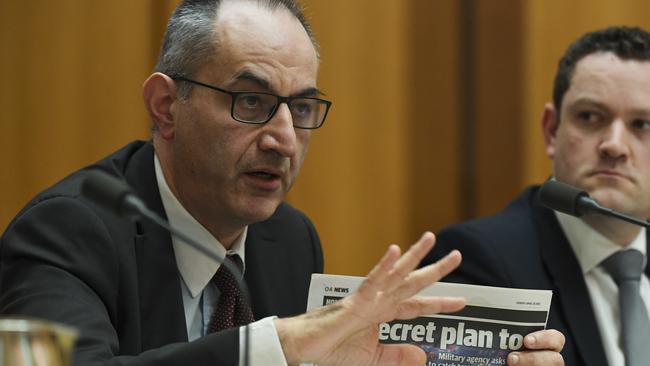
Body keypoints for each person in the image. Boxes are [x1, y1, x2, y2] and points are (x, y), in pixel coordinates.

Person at [0, 0, 564, 365]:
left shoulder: (288, 239)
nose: (285, 140)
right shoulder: (61, 231)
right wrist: (285, 344)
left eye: (301, 108)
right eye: (252, 102)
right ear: (167, 106)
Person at [421, 26, 650, 366]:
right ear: (551, 130)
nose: (614, 145)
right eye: (589, 117)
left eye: (642, 124)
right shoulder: (479, 260)